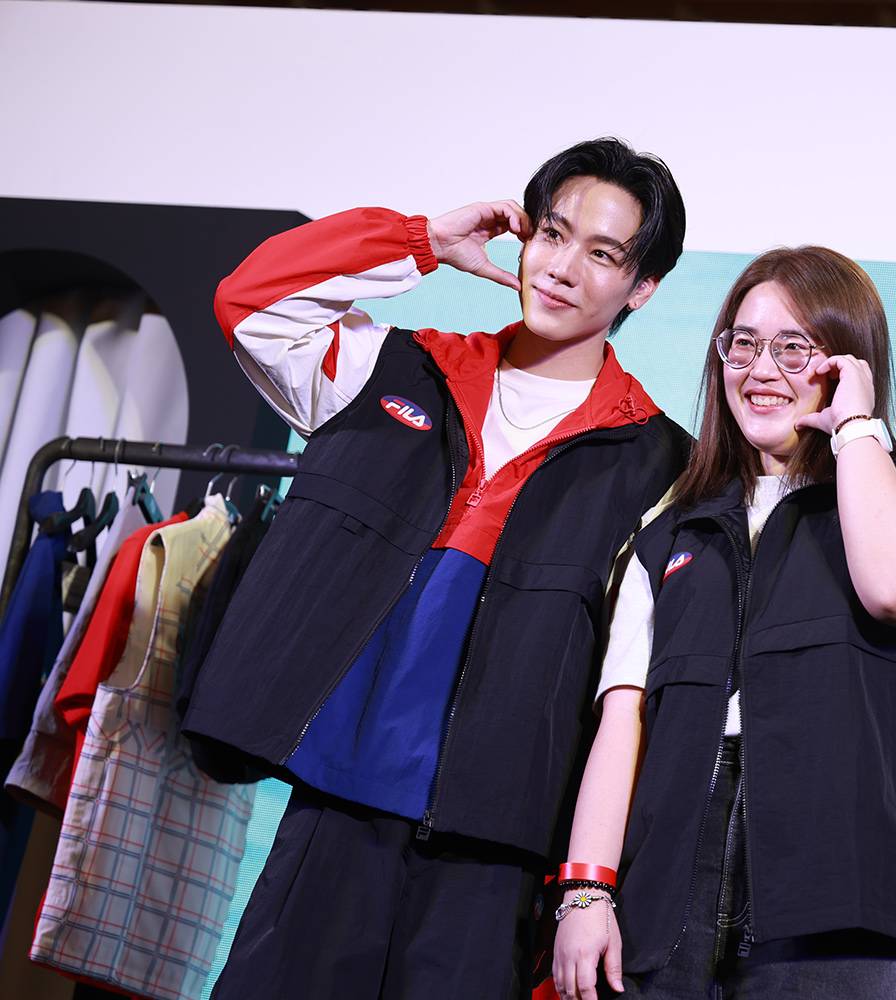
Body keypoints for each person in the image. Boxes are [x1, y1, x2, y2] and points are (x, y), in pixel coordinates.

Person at [182, 138, 693, 999]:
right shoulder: (394, 370)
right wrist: (421, 241)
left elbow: (635, 692)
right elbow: (251, 301)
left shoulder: (661, 464)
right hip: (333, 806)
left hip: (495, 854)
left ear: (641, 287)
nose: (562, 268)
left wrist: (588, 883)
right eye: (552, 234)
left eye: (603, 255)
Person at [548, 247, 896, 1000]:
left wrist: (856, 428)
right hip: (668, 899)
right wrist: (586, 892)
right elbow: (622, 722)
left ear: (849, 362)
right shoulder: (670, 531)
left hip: (850, 907)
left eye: (795, 348)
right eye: (744, 344)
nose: (762, 370)